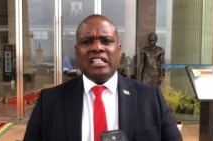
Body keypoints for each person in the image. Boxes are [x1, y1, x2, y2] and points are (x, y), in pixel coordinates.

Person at [23, 14, 182, 141]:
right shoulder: (49, 101)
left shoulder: (150, 97)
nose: (97, 47)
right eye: (87, 42)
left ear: (119, 50)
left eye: (106, 41)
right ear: (76, 51)